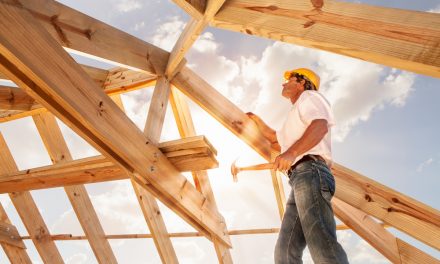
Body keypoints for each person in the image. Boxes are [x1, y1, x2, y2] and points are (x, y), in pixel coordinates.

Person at [247, 68, 349, 264]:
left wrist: (292, 153)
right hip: (299, 179)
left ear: (302, 83)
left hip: (311, 172)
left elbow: (320, 125)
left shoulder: (310, 97)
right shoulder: (295, 115)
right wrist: (254, 119)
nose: (283, 83)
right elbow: (274, 139)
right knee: (285, 254)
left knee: (321, 243)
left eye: (289, 79)